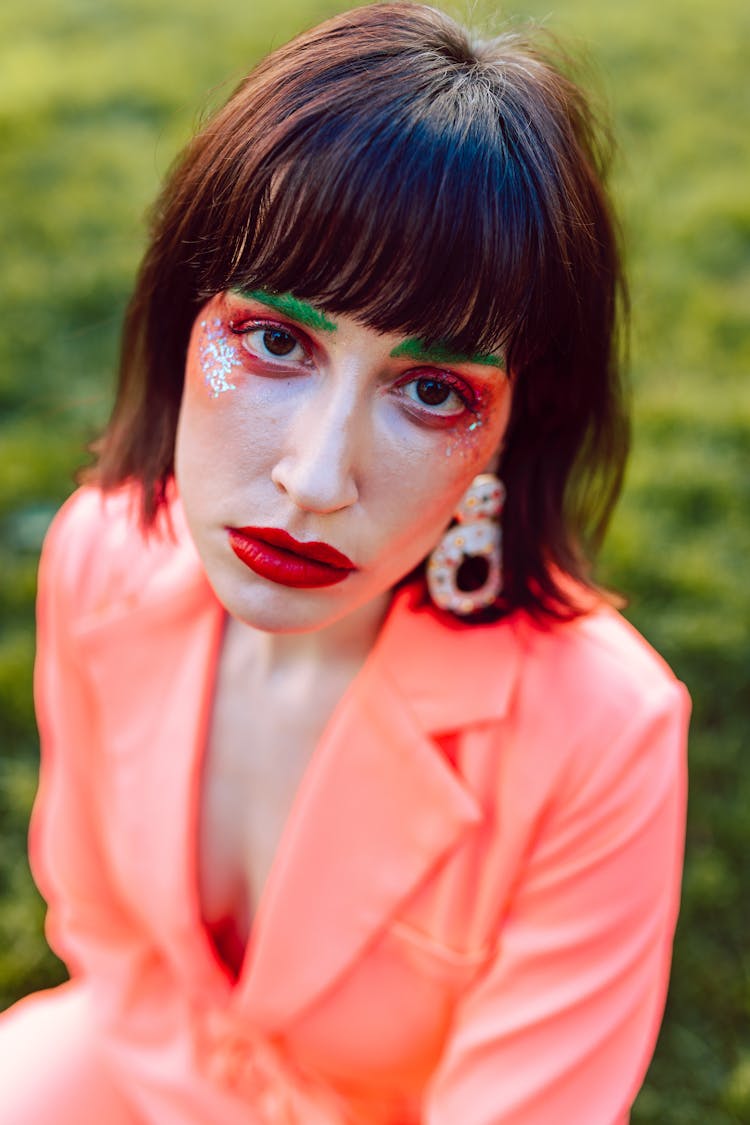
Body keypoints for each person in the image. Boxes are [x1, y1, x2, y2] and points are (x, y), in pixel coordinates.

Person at [0, 3, 689, 1122]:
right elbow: (105, 930)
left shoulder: (605, 735)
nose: (317, 479)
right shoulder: (99, 554)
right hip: (141, 1069)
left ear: (513, 431)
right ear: (183, 323)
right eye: (276, 340)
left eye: (432, 390)